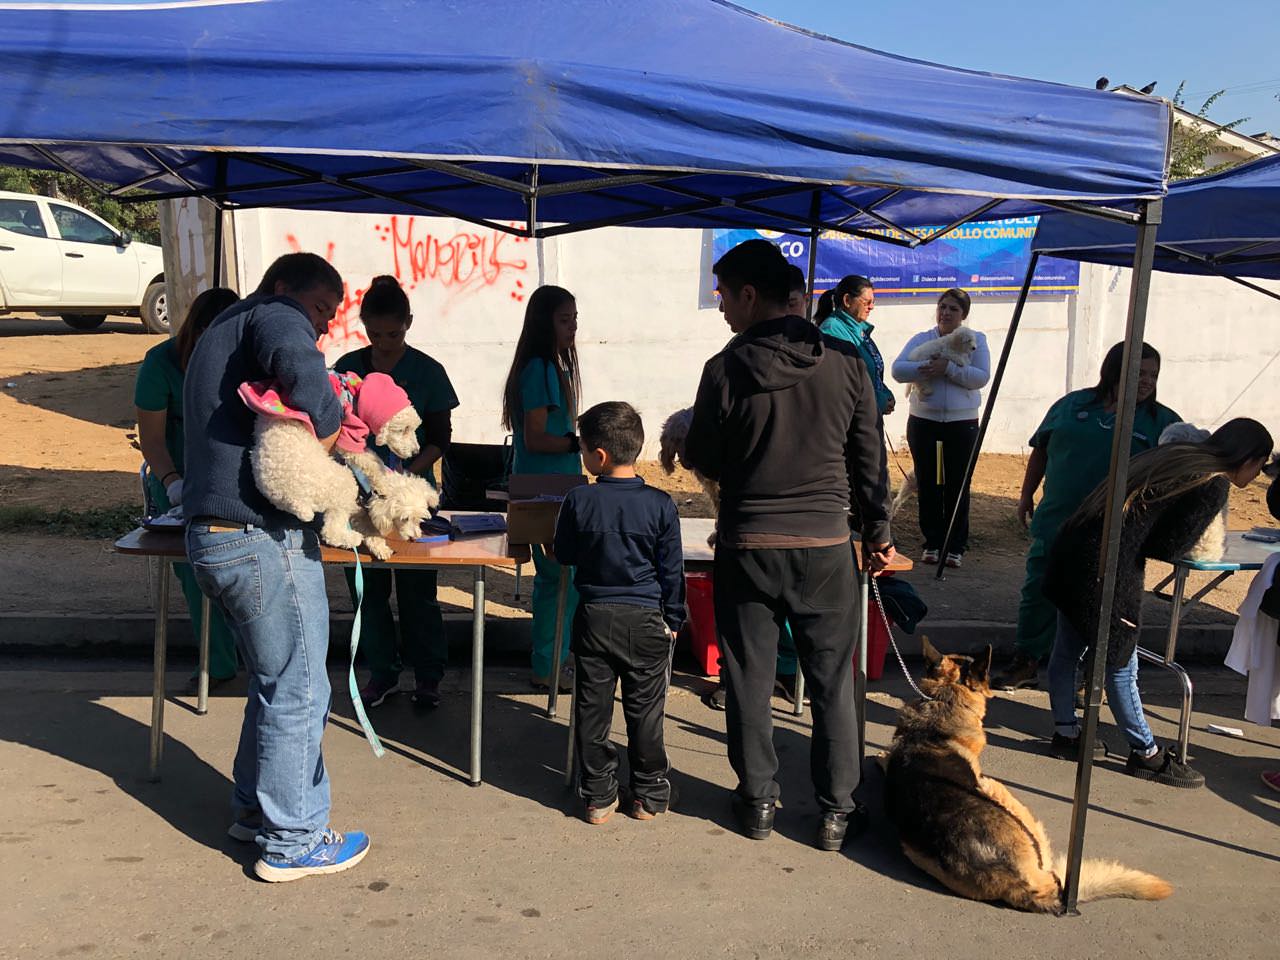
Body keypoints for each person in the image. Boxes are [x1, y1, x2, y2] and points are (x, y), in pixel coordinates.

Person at [684, 239, 894, 851]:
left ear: (750, 295)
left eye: (723, 297)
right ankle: (836, 812)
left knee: (749, 677)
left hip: (749, 544)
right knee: (834, 680)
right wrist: (877, 531)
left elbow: (702, 456)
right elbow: (869, 462)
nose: (721, 309)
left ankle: (758, 802)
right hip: (828, 545)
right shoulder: (846, 364)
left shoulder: (724, 369)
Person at [183, 252, 369, 882]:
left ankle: (253, 812)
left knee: (274, 683)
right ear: (286, 287)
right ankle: (294, 839)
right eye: (321, 309)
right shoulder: (273, 313)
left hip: (215, 535)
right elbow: (306, 376)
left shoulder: (221, 330)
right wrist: (329, 415)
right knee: (299, 688)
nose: (320, 328)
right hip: (263, 538)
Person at [1042, 417, 1272, 788]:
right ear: (1249, 459)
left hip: (1073, 550)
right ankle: (1145, 753)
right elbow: (1166, 546)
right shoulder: (1210, 483)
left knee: (1067, 651)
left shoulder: (1177, 455)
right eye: (1260, 467)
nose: (1257, 477)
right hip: (1107, 568)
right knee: (1120, 664)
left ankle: (1066, 733)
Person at [992, 342, 1182, 691]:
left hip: (1113, 532)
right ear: (1113, 371)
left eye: (1153, 375)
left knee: (1098, 601)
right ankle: (1027, 659)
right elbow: (1041, 450)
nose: (1146, 381)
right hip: (1057, 520)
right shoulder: (1072, 405)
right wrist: (1024, 494)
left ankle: (1089, 675)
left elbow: (1177, 478)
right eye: (1138, 373)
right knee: (1039, 589)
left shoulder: (1162, 422)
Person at [553, 401, 685, 824]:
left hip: (594, 615)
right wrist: (674, 618)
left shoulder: (579, 499)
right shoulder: (661, 504)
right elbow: (672, 569)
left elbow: (565, 553)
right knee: (645, 710)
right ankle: (648, 793)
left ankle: (598, 796)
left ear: (599, 456)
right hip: (647, 617)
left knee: (593, 708)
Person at [334, 276, 459, 711]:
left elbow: (441, 437)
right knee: (367, 592)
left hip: (411, 501)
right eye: (375, 334)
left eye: (394, 333)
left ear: (409, 323)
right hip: (357, 499)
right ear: (363, 325)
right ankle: (381, 673)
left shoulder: (428, 372)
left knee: (418, 595)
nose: (384, 344)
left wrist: (404, 474)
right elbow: (329, 429)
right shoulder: (347, 369)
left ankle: (428, 677)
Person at [134, 286, 240, 688]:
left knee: (243, 572)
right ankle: (217, 663)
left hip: (232, 481)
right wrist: (172, 483)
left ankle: (252, 653)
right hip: (178, 482)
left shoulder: (245, 362)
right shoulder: (159, 364)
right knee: (196, 578)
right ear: (192, 331)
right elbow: (153, 440)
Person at [501, 285, 583, 692]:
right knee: (560, 580)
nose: (573, 328)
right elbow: (536, 438)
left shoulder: (551, 366)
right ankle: (550, 665)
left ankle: (553, 661)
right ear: (544, 322)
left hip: (553, 485)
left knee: (560, 579)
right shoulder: (541, 368)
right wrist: (577, 443)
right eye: (565, 320)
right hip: (547, 488)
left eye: (575, 319)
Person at [890, 288, 991, 567]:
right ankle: (932, 542)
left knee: (957, 483)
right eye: (942, 307)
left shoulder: (976, 341)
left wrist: (949, 369)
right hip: (926, 424)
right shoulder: (923, 339)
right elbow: (899, 370)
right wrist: (928, 366)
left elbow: (981, 377)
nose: (946, 313)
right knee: (930, 481)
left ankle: (955, 544)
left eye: (953, 309)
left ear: (964, 315)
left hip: (962, 424)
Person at [815, 275, 895, 415]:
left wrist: (885, 393)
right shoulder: (832, 329)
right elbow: (841, 384)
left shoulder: (859, 329)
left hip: (867, 416)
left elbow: (871, 374)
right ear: (847, 300)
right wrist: (878, 401)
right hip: (848, 422)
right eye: (867, 302)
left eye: (873, 302)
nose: (872, 307)